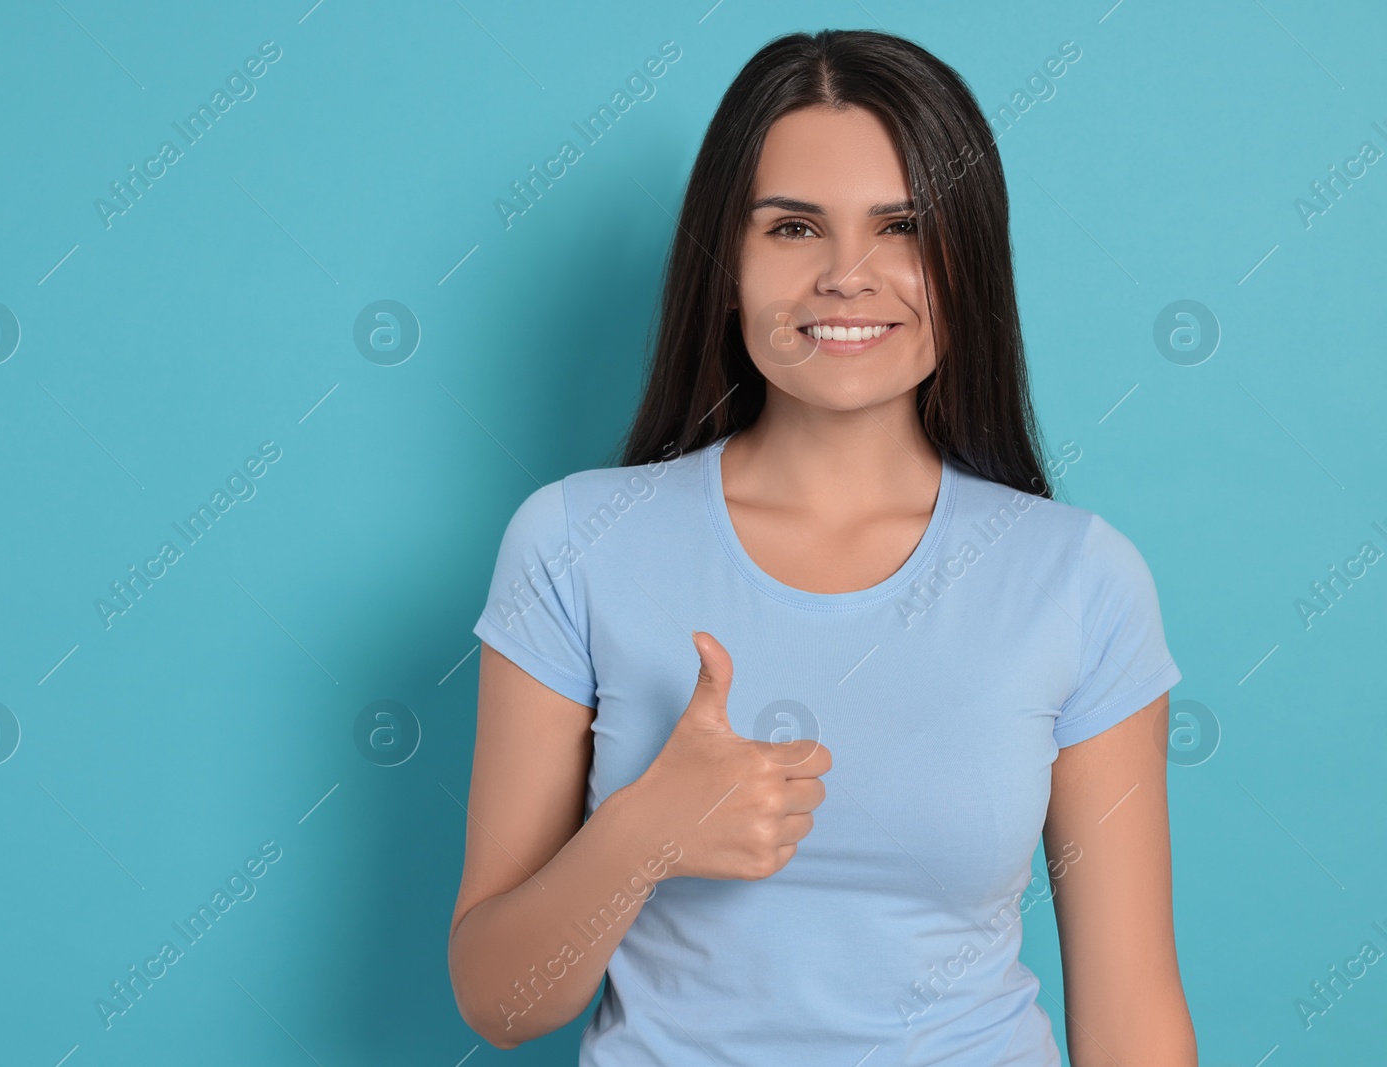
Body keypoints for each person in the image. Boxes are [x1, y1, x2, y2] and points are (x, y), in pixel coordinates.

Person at [448, 28, 1196, 1066]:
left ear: (965, 263)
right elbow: (498, 1001)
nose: (848, 275)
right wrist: (641, 832)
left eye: (902, 226)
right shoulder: (574, 542)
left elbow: (1131, 1018)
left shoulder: (1078, 578)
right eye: (794, 227)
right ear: (725, 265)